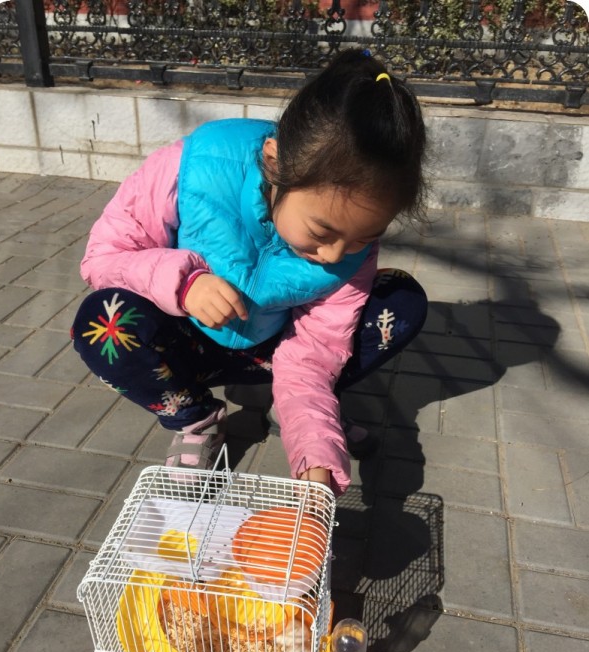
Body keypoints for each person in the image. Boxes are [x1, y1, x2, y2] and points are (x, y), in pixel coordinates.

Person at [71, 48, 428, 497]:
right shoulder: (192, 166)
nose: (335, 255)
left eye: (363, 237)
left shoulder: (350, 252)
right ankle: (195, 418)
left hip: (274, 348)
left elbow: (316, 350)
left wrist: (314, 449)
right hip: (184, 340)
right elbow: (103, 258)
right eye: (322, 231)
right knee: (104, 322)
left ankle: (292, 411)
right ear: (276, 163)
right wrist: (183, 284)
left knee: (399, 303)